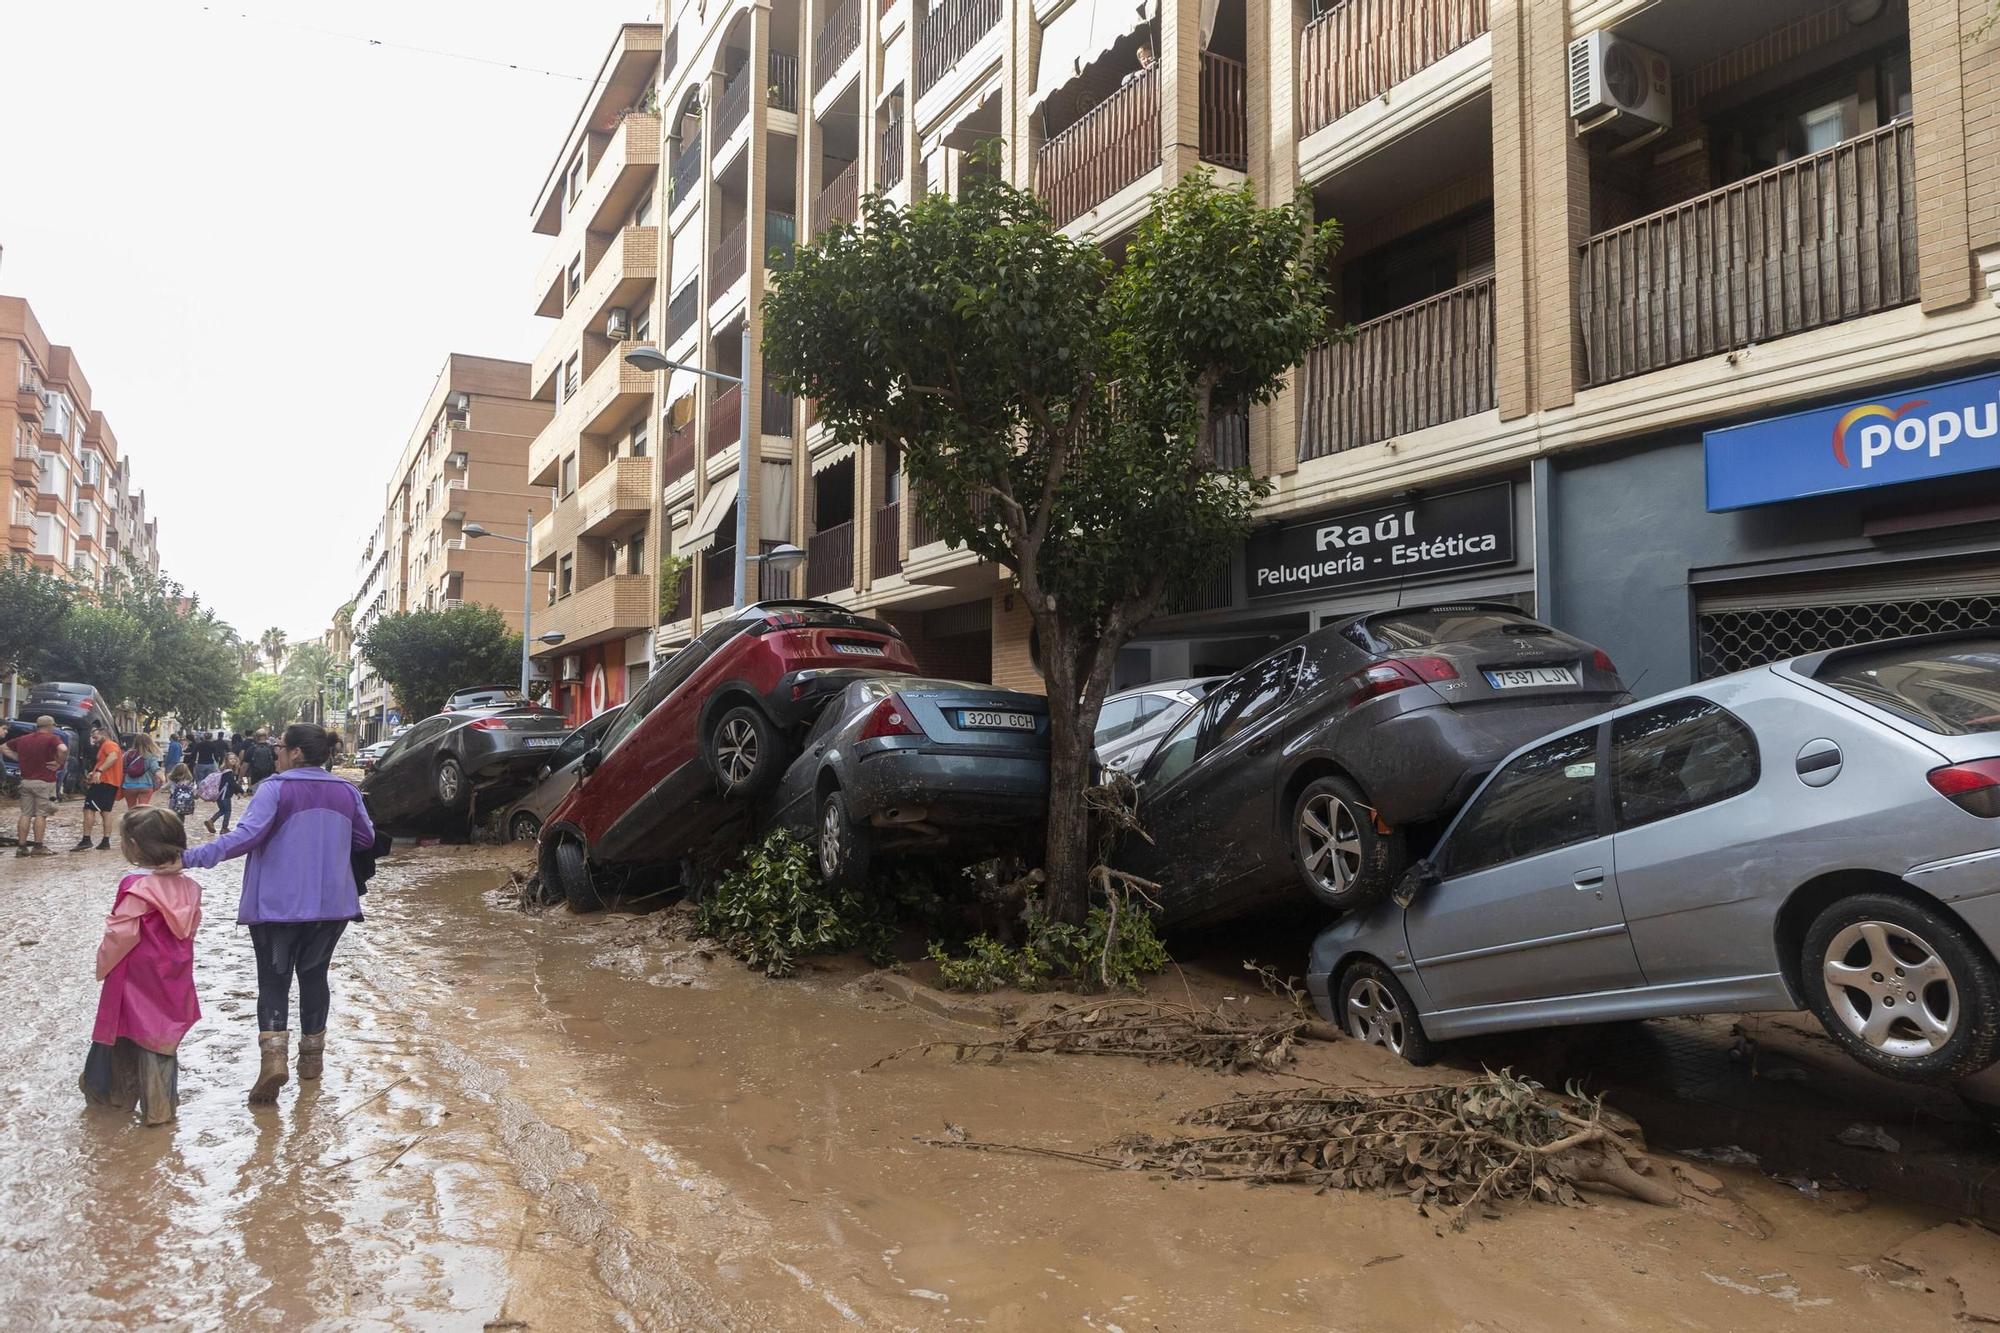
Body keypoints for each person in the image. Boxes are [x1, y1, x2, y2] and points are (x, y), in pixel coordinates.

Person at [180, 724, 374, 1103]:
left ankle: (273, 1064)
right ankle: (311, 1065)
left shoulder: (275, 788)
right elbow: (365, 838)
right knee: (315, 976)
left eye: (280, 747)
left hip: (276, 906)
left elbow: (246, 837)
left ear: (297, 753)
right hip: (332, 906)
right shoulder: (347, 792)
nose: (276, 753)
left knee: (274, 981)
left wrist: (189, 857)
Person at [79, 807, 203, 1127]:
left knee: (121, 1033)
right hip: (172, 975)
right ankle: (161, 1108)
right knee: (161, 1038)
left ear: (133, 845)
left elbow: (121, 933)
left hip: (134, 976)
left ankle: (113, 1097)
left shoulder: (135, 886)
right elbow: (188, 929)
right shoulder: (189, 887)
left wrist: (102, 965)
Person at [3, 715, 70, 856]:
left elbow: (3, 747)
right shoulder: (52, 738)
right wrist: (59, 763)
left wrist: (19, 759)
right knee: (41, 814)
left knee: (25, 814)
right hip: (44, 782)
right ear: (50, 726)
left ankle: (21, 847)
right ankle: (38, 847)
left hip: (26, 781)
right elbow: (63, 749)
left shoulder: (23, 739)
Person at [73, 721, 124, 852]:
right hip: (110, 782)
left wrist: (99, 771)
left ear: (103, 735)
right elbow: (109, 761)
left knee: (89, 809)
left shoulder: (109, 745)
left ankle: (86, 839)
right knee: (106, 811)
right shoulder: (107, 746)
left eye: (95, 737)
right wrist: (94, 772)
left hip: (104, 782)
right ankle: (105, 841)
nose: (94, 741)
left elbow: (113, 757)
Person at [122, 733, 163, 810]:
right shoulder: (150, 756)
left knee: (131, 809)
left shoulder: (127, 754)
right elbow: (156, 769)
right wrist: (162, 779)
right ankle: (142, 821)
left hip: (129, 785)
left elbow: (123, 769)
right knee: (143, 810)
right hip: (146, 785)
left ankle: (132, 821)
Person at [205, 753, 244, 834]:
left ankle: (211, 821)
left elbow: (230, 784)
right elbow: (232, 784)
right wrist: (241, 791)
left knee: (223, 810)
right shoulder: (228, 772)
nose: (233, 760)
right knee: (228, 811)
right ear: (226, 761)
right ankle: (224, 828)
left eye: (234, 758)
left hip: (221, 795)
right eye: (230, 759)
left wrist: (237, 793)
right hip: (224, 795)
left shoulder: (225, 771)